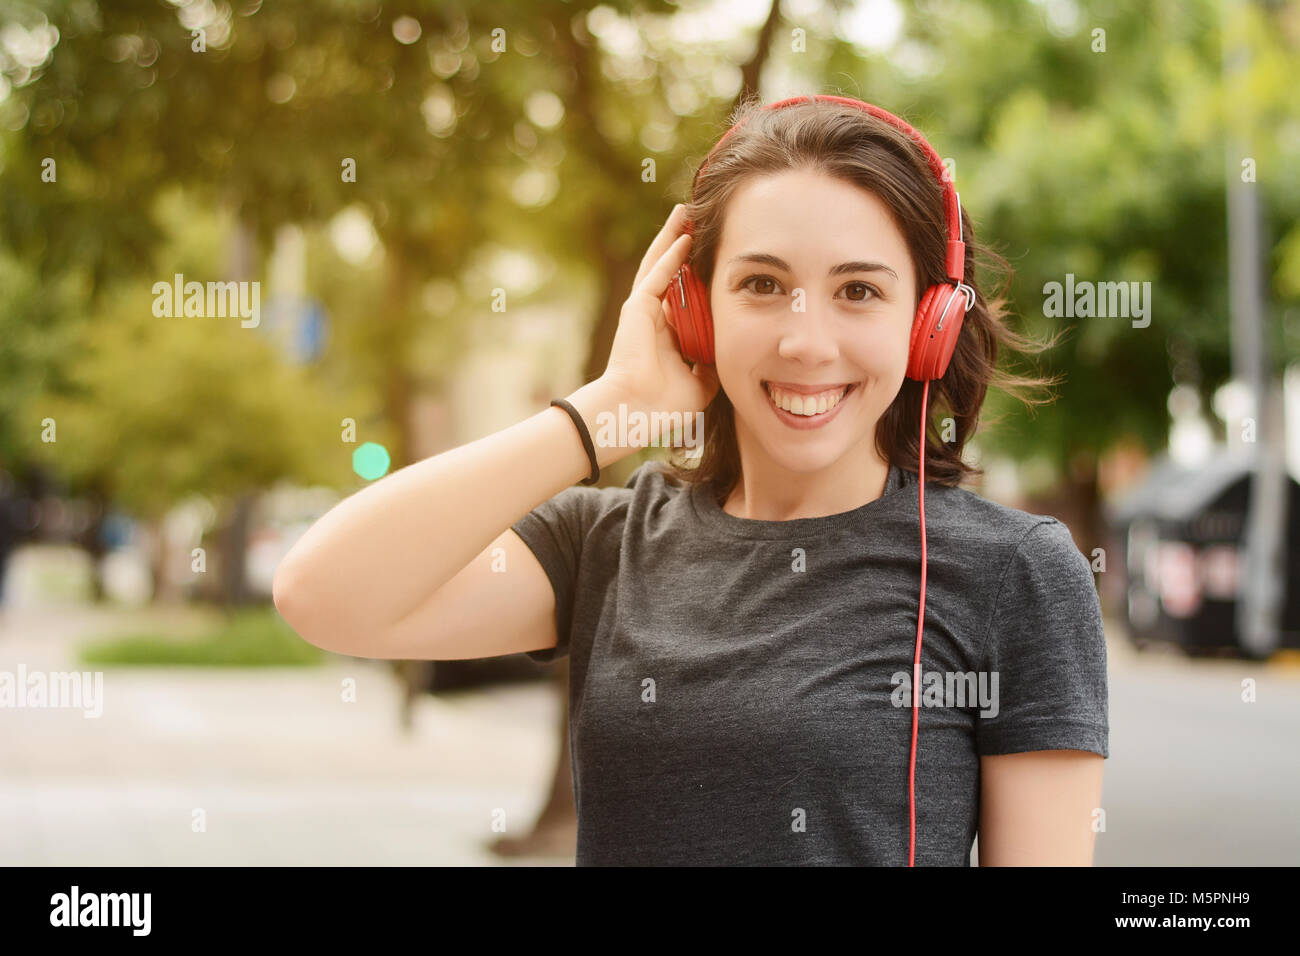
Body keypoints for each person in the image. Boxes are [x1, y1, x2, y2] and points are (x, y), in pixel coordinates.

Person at [273, 94, 1109, 866]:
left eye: (858, 290)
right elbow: (323, 594)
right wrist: (611, 410)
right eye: (761, 285)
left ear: (927, 323)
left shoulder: (1015, 576)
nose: (805, 340)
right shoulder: (602, 545)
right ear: (694, 311)